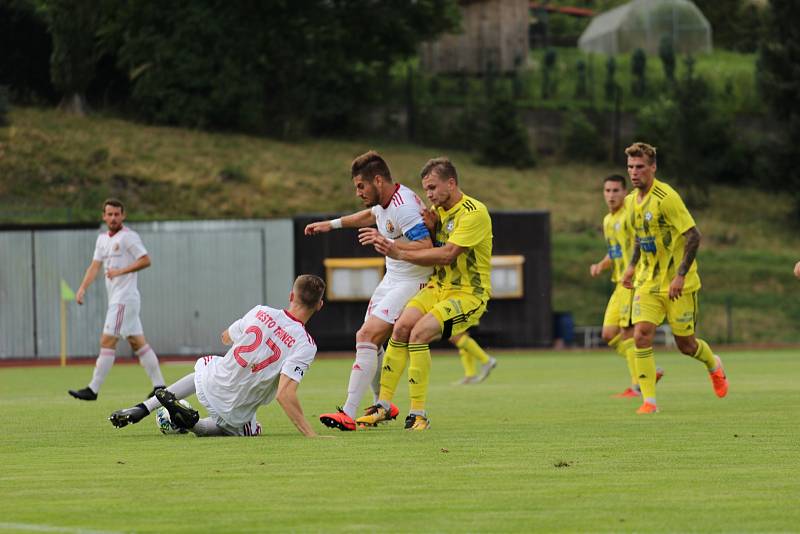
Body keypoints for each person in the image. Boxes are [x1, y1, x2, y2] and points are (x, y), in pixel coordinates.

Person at [357, 157, 493, 430]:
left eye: (432, 188)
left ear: (451, 183)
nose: (428, 195)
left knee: (418, 333)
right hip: (438, 288)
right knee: (401, 328)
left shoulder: (473, 212)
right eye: (426, 189)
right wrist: (431, 227)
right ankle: (382, 406)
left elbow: (447, 254)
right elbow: (432, 241)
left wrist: (397, 251)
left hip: (467, 294)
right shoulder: (436, 212)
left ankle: (418, 414)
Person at [304, 151, 434, 431]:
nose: (358, 192)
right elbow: (370, 214)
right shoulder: (384, 202)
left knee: (365, 335)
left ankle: (348, 413)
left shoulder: (404, 208)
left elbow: (427, 248)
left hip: (414, 281)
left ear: (377, 180)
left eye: (361, 186)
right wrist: (332, 225)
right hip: (393, 278)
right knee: (369, 343)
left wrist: (392, 247)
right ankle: (381, 405)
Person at [108, 274, 328, 438]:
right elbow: (285, 394)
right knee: (249, 428)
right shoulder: (305, 344)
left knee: (208, 365)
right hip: (237, 405)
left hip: (213, 380)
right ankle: (192, 423)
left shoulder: (262, 311)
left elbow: (225, 337)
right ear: (319, 305)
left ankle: (144, 407)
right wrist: (311, 435)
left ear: (291, 296)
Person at [621, 142, 728, 414]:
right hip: (647, 282)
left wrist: (680, 275)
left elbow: (694, 235)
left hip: (679, 284)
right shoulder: (630, 201)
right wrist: (632, 266)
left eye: (640, 167)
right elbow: (639, 236)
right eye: (631, 167)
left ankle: (713, 364)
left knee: (686, 344)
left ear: (653, 167)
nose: (634, 173)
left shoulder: (666, 197)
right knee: (641, 336)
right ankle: (650, 402)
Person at [68, 198, 165, 401]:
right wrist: (82, 288)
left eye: (116, 214)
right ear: (104, 216)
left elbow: (146, 260)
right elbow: (94, 266)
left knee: (107, 340)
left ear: (123, 215)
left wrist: (120, 271)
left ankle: (93, 389)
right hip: (119, 299)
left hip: (124, 299)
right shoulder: (102, 239)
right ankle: (160, 386)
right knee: (137, 343)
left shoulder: (129, 237)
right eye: (109, 214)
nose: (113, 218)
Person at [590, 174, 662, 398]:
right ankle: (646, 373)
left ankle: (638, 384)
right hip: (618, 283)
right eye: (607, 191)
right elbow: (616, 251)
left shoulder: (630, 216)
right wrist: (602, 264)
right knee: (608, 334)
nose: (611, 195)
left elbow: (642, 241)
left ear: (624, 192)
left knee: (628, 332)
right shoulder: (607, 220)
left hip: (633, 282)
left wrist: (637, 270)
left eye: (615, 191)